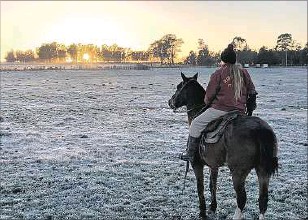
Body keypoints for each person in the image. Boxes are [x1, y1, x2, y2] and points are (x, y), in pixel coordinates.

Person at [180, 44, 257, 162]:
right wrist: (249, 109)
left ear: (223, 59)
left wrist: (206, 102)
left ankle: (190, 154)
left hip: (220, 110)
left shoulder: (218, 73)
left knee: (195, 124)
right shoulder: (244, 72)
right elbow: (252, 91)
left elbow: (209, 95)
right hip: (239, 111)